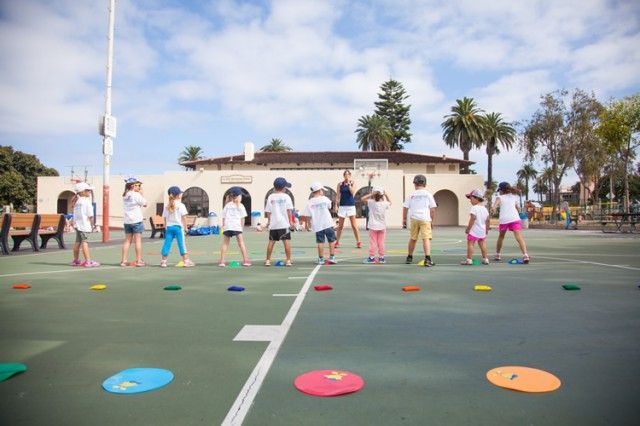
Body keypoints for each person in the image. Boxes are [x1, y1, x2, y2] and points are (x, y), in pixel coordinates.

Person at [402, 175, 437, 266]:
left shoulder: (411, 195)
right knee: (426, 238)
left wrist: (404, 219)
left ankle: (409, 257)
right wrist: (432, 220)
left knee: (413, 238)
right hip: (425, 219)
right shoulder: (428, 194)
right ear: (424, 184)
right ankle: (428, 259)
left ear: (415, 183)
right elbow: (432, 209)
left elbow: (405, 208)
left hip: (414, 219)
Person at [491, 181, 530, 263]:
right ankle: (525, 255)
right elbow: (517, 207)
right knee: (519, 237)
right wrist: (519, 213)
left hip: (504, 220)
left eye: (499, 190)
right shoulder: (514, 196)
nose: (499, 192)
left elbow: (495, 206)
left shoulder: (499, 197)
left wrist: (493, 209)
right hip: (515, 219)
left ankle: (498, 255)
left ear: (502, 190)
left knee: (501, 237)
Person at [303, 182, 338, 265]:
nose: (323, 191)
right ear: (319, 190)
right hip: (328, 223)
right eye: (322, 190)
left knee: (320, 242)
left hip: (318, 225)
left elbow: (307, 215)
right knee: (331, 241)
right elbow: (330, 206)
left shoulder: (310, 202)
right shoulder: (325, 199)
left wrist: (308, 225)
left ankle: (321, 259)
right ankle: (332, 257)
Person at [160, 186, 194, 268]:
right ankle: (186, 261)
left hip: (169, 228)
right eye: (180, 193)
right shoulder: (181, 205)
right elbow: (184, 217)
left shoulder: (167, 206)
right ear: (177, 195)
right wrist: (186, 227)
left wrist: (165, 227)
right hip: (178, 228)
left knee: (167, 244)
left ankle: (163, 262)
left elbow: (164, 218)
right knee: (181, 244)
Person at [264, 178, 295, 266]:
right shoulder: (286, 197)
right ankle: (288, 260)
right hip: (284, 224)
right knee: (286, 241)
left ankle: (268, 260)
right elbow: (289, 211)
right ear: (284, 187)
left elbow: (268, 211)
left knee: (271, 241)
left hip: (274, 224)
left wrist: (269, 221)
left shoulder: (270, 196)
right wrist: (291, 221)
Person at [219, 187, 251, 267]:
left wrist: (223, 226)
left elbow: (223, 217)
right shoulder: (240, 206)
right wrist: (242, 228)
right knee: (241, 243)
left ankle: (222, 261)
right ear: (239, 196)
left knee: (225, 244)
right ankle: (246, 261)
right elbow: (242, 218)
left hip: (228, 226)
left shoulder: (227, 206)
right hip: (237, 227)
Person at [70, 182, 100, 267]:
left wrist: (74, 223)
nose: (90, 192)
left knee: (77, 242)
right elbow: (90, 215)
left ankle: (76, 260)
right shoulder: (86, 201)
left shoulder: (77, 201)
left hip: (78, 226)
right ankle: (88, 261)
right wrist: (93, 225)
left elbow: (75, 215)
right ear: (82, 192)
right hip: (84, 225)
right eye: (88, 190)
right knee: (84, 242)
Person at [120, 176, 147, 267]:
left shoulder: (125, 195)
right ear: (133, 186)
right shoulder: (136, 195)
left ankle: (124, 260)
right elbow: (145, 204)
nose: (139, 187)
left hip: (127, 221)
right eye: (138, 185)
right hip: (136, 221)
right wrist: (142, 194)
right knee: (138, 241)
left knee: (127, 241)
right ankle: (139, 260)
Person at [361, 187, 391, 263]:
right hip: (382, 226)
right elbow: (390, 202)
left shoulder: (371, 202)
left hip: (373, 226)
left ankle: (371, 258)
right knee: (381, 242)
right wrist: (386, 194)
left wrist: (371, 194)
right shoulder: (384, 203)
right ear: (382, 195)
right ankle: (381, 258)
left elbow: (362, 199)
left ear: (374, 195)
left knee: (373, 242)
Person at [461, 189, 490, 265]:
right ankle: (485, 259)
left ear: (476, 198)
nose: (470, 200)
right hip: (482, 230)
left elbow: (473, 218)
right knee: (482, 244)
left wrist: (468, 229)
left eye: (471, 198)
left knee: (470, 244)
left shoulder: (474, 208)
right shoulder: (485, 209)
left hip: (474, 230)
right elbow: (487, 220)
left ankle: (469, 260)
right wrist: (486, 229)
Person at [334, 170, 362, 248]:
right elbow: (337, 195)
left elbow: (352, 192)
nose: (346, 176)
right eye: (345, 174)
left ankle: (358, 241)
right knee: (340, 226)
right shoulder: (340, 184)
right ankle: (337, 242)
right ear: (343, 176)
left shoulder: (353, 183)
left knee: (354, 225)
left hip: (351, 206)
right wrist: (336, 205)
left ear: (350, 175)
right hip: (342, 206)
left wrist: (349, 185)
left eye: (348, 174)